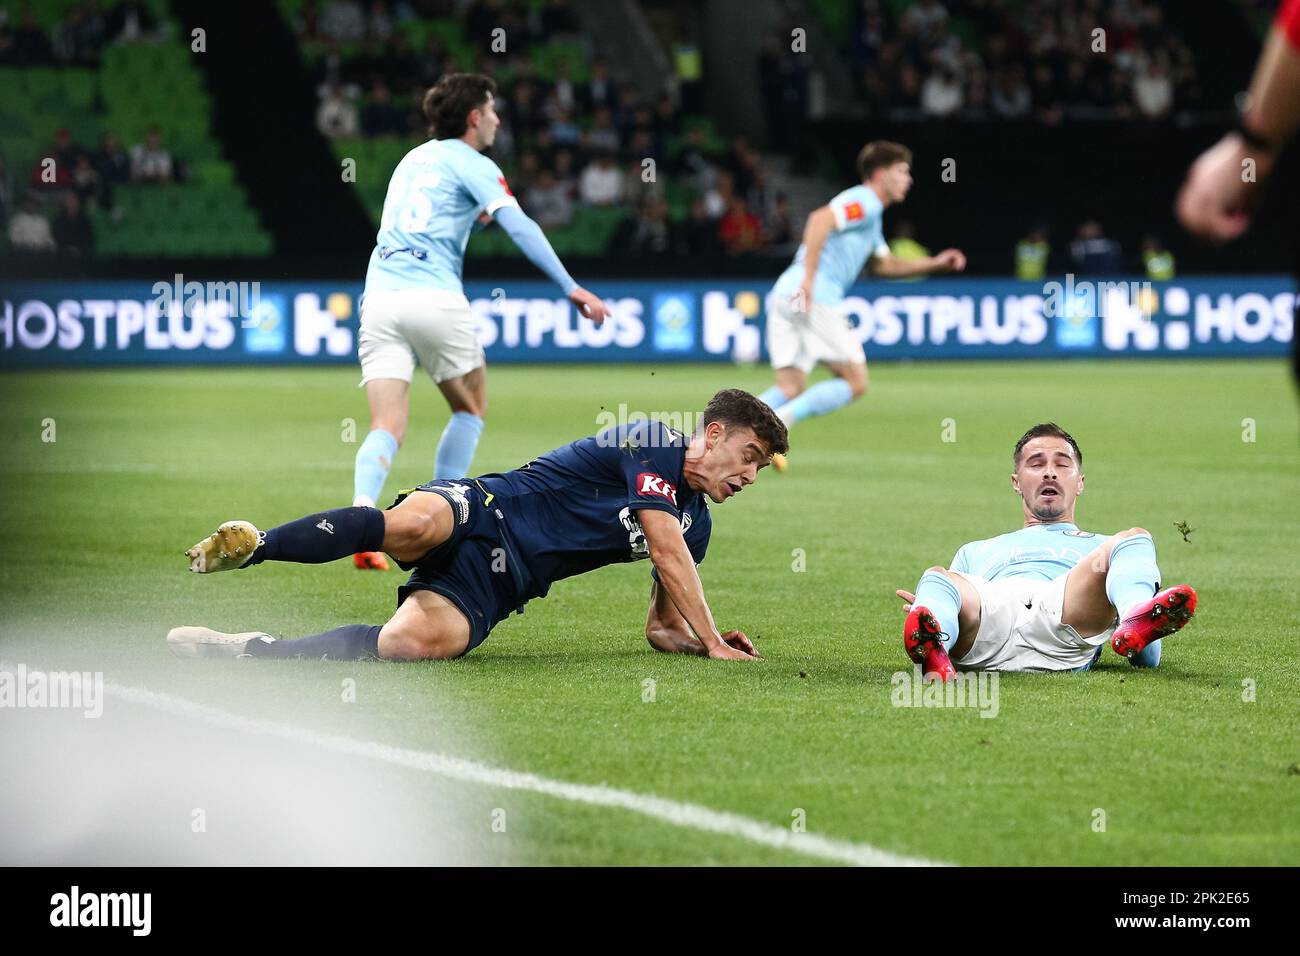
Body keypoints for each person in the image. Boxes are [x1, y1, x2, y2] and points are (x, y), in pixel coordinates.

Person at [168, 390, 788, 663]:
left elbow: (660, 628)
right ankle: (257, 547)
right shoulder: (652, 439)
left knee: (406, 645)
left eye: (760, 466)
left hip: (503, 582)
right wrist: (709, 640)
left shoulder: (695, 526)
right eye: (751, 456)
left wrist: (705, 641)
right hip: (491, 503)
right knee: (411, 525)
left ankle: (248, 650)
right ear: (713, 434)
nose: (752, 476)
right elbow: (661, 542)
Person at [350, 73, 608, 571]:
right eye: (491, 109)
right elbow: (520, 224)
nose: (496, 119)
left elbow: (432, 214)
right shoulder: (475, 162)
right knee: (470, 409)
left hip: (380, 296)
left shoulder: (413, 159)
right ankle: (437, 512)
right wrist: (570, 286)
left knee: (387, 423)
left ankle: (362, 518)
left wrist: (470, 216)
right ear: (474, 117)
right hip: (433, 298)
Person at [895, 423, 1197, 679]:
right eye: (1036, 464)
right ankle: (936, 642)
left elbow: (1147, 660)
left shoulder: (1109, 551)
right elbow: (965, 600)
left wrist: (1145, 636)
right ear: (1016, 482)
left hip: (1062, 615)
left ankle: (1135, 614)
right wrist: (933, 608)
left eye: (1062, 464)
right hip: (989, 620)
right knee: (937, 577)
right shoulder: (975, 551)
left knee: (1135, 538)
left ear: (1079, 483)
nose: (1049, 473)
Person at [756, 141, 966, 470]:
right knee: (856, 382)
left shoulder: (871, 218)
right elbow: (819, 220)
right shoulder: (864, 201)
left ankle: (722, 431)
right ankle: (780, 422)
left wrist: (935, 264)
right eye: (902, 171)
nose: (908, 179)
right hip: (815, 295)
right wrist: (809, 280)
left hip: (786, 293)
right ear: (881, 174)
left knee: (790, 385)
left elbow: (884, 265)